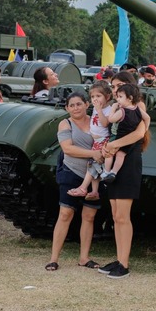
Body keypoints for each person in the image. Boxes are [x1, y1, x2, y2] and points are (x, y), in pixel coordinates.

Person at [45, 92, 104, 272]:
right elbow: (68, 148)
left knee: (89, 216)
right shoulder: (66, 123)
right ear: (67, 108)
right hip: (71, 172)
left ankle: (84, 258)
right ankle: (53, 259)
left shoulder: (96, 121)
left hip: (94, 175)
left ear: (87, 104)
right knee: (65, 214)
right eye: (72, 105)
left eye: (79, 104)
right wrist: (93, 153)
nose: (76, 108)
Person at [98, 73, 148, 279]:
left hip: (129, 159)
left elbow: (139, 134)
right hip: (115, 158)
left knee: (123, 216)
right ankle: (119, 259)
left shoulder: (138, 106)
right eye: (113, 86)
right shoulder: (118, 107)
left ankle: (124, 263)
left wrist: (112, 146)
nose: (115, 89)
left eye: (119, 85)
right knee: (116, 215)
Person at [67, 81, 113, 201]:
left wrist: (99, 110)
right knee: (95, 165)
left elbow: (105, 123)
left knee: (93, 164)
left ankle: (83, 188)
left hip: (103, 140)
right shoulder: (96, 109)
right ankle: (94, 191)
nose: (95, 99)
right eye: (92, 97)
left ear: (107, 97)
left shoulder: (109, 109)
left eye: (98, 96)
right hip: (96, 140)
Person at [99, 83, 145, 185]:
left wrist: (113, 108)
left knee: (109, 153)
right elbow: (147, 118)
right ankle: (114, 172)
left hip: (117, 135)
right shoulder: (137, 109)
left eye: (120, 97)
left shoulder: (122, 111)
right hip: (127, 139)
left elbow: (111, 119)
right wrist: (145, 129)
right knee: (120, 155)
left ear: (130, 98)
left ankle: (106, 171)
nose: (118, 99)